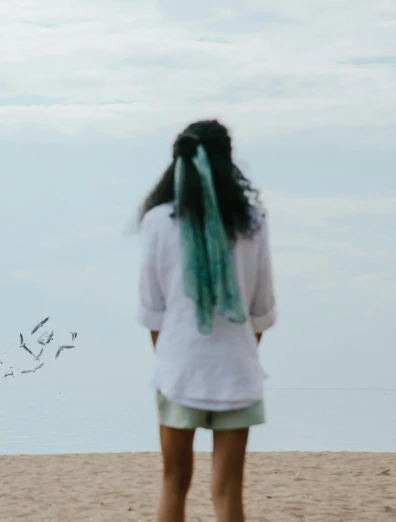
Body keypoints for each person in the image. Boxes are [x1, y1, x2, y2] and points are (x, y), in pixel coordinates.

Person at [137, 119, 277, 522]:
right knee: (228, 489)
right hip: (237, 369)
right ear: (228, 161)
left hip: (178, 369)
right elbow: (261, 309)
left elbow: (152, 310)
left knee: (173, 482)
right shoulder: (252, 221)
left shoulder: (159, 221)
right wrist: (238, 351)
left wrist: (169, 357)